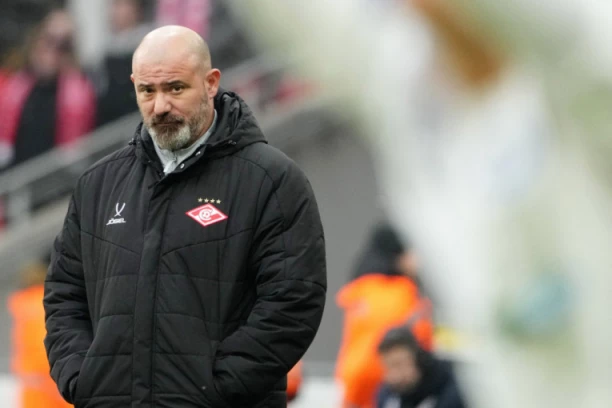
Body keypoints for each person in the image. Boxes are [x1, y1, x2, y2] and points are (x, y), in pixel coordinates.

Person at [43, 25, 327, 408]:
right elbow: (64, 295)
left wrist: (215, 389)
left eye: (175, 88)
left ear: (211, 83)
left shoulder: (271, 180)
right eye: (148, 91)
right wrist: (83, 378)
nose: (160, 106)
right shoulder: (97, 185)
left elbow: (293, 302)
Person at [335, 222, 434, 408]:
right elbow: (423, 338)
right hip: (391, 379)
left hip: (354, 379)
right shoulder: (404, 291)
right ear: (399, 256)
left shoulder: (360, 289)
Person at [0, 7, 95, 170]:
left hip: (54, 180)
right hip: (14, 177)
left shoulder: (81, 91)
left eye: (64, 44)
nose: (54, 50)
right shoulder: (14, 83)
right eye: (49, 39)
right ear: (37, 38)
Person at [8, 256, 72, 408]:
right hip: (51, 385)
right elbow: (44, 346)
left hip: (31, 384)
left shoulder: (24, 302)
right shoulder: (46, 301)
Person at [377, 327, 466, 408]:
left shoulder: (452, 390)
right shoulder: (387, 396)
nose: (394, 376)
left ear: (418, 359)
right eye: (387, 368)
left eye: (398, 365)